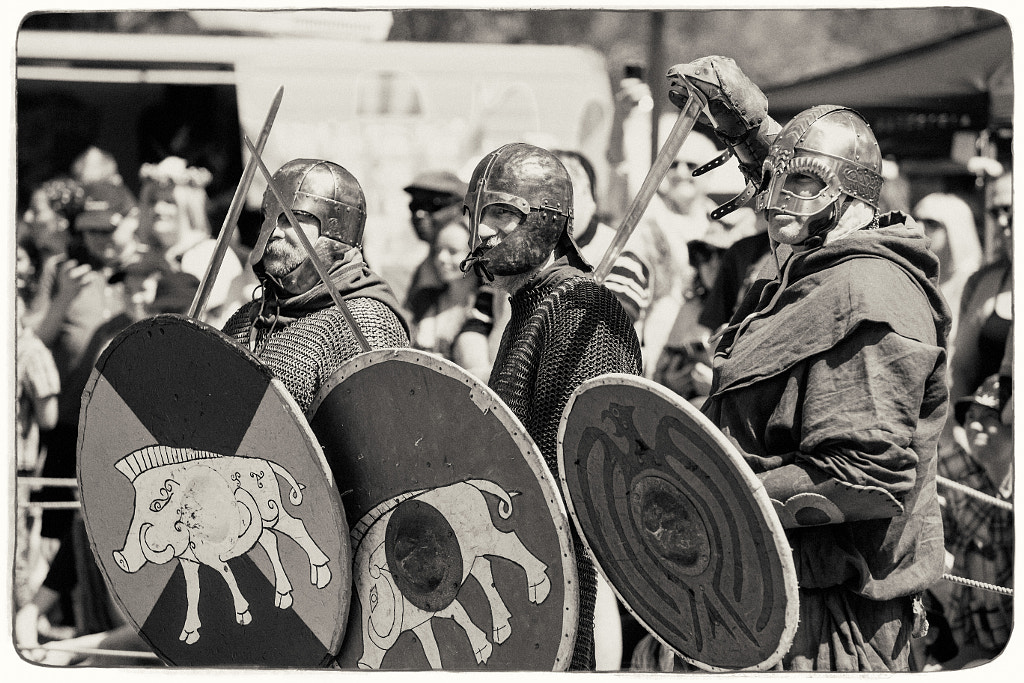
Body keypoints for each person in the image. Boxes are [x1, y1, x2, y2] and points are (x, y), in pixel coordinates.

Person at [669, 56, 951, 671]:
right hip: (770, 600)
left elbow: (863, 479)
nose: (776, 203)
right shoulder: (820, 274)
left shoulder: (868, 295)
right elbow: (803, 176)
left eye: (799, 189)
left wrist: (711, 496)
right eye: (773, 185)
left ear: (851, 201)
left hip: (833, 629)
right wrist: (749, 127)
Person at [459, 142, 642, 670]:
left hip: (562, 555)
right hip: (523, 546)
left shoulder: (580, 306)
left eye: (501, 213)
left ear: (547, 222)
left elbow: (593, 457)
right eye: (475, 216)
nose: (482, 232)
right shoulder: (532, 305)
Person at [221, 158, 409, 415]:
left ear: (336, 231)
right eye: (269, 218)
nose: (274, 232)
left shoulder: (364, 323)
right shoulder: (246, 320)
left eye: (292, 219)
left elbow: (383, 441)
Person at [935, 374, 1013, 669]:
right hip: (978, 624)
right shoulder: (959, 471)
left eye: (988, 416)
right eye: (969, 416)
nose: (973, 424)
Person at [132, 156, 247, 327]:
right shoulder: (141, 257)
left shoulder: (211, 255)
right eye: (153, 201)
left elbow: (224, 322)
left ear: (188, 206)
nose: (158, 209)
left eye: (169, 202)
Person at [403, 216, 481, 359]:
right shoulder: (424, 299)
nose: (441, 258)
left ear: (476, 256)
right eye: (438, 250)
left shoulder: (484, 305)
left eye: (453, 251)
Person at [912, 192, 983, 333]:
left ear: (956, 229)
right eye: (915, 220)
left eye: (931, 223)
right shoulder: (912, 278)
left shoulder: (978, 284)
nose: (918, 229)